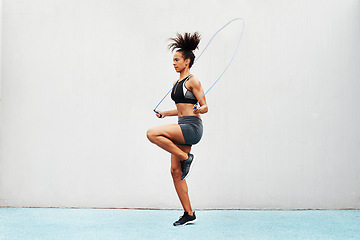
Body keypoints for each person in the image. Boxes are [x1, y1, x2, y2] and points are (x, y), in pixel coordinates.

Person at [146, 32, 208, 226]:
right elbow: (181, 109)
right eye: (173, 60)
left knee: (152, 133)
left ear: (187, 62)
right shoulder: (176, 84)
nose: (173, 63)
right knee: (175, 172)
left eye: (177, 60)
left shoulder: (193, 81)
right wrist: (166, 113)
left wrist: (201, 109)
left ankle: (185, 157)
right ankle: (189, 213)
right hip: (182, 125)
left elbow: (205, 106)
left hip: (192, 127)